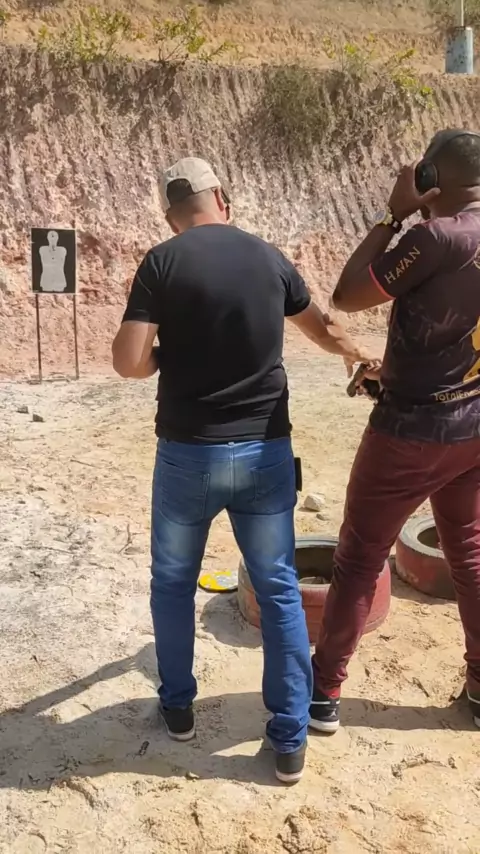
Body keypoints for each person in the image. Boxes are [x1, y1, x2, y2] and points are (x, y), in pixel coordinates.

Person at [112, 156, 374, 783]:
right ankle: (289, 741)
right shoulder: (268, 257)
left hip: (188, 455)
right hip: (264, 451)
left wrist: (161, 362)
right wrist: (357, 353)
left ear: (171, 217)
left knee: (172, 584)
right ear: (222, 199)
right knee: (278, 588)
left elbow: (128, 361)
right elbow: (322, 329)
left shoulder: (162, 262)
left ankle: (179, 709)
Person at [309, 129, 480, 734]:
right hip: (473, 424)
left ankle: (323, 692)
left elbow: (347, 295)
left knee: (358, 559)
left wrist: (393, 215)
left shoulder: (435, 237)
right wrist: (404, 368)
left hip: (411, 431)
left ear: (430, 178)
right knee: (470, 553)